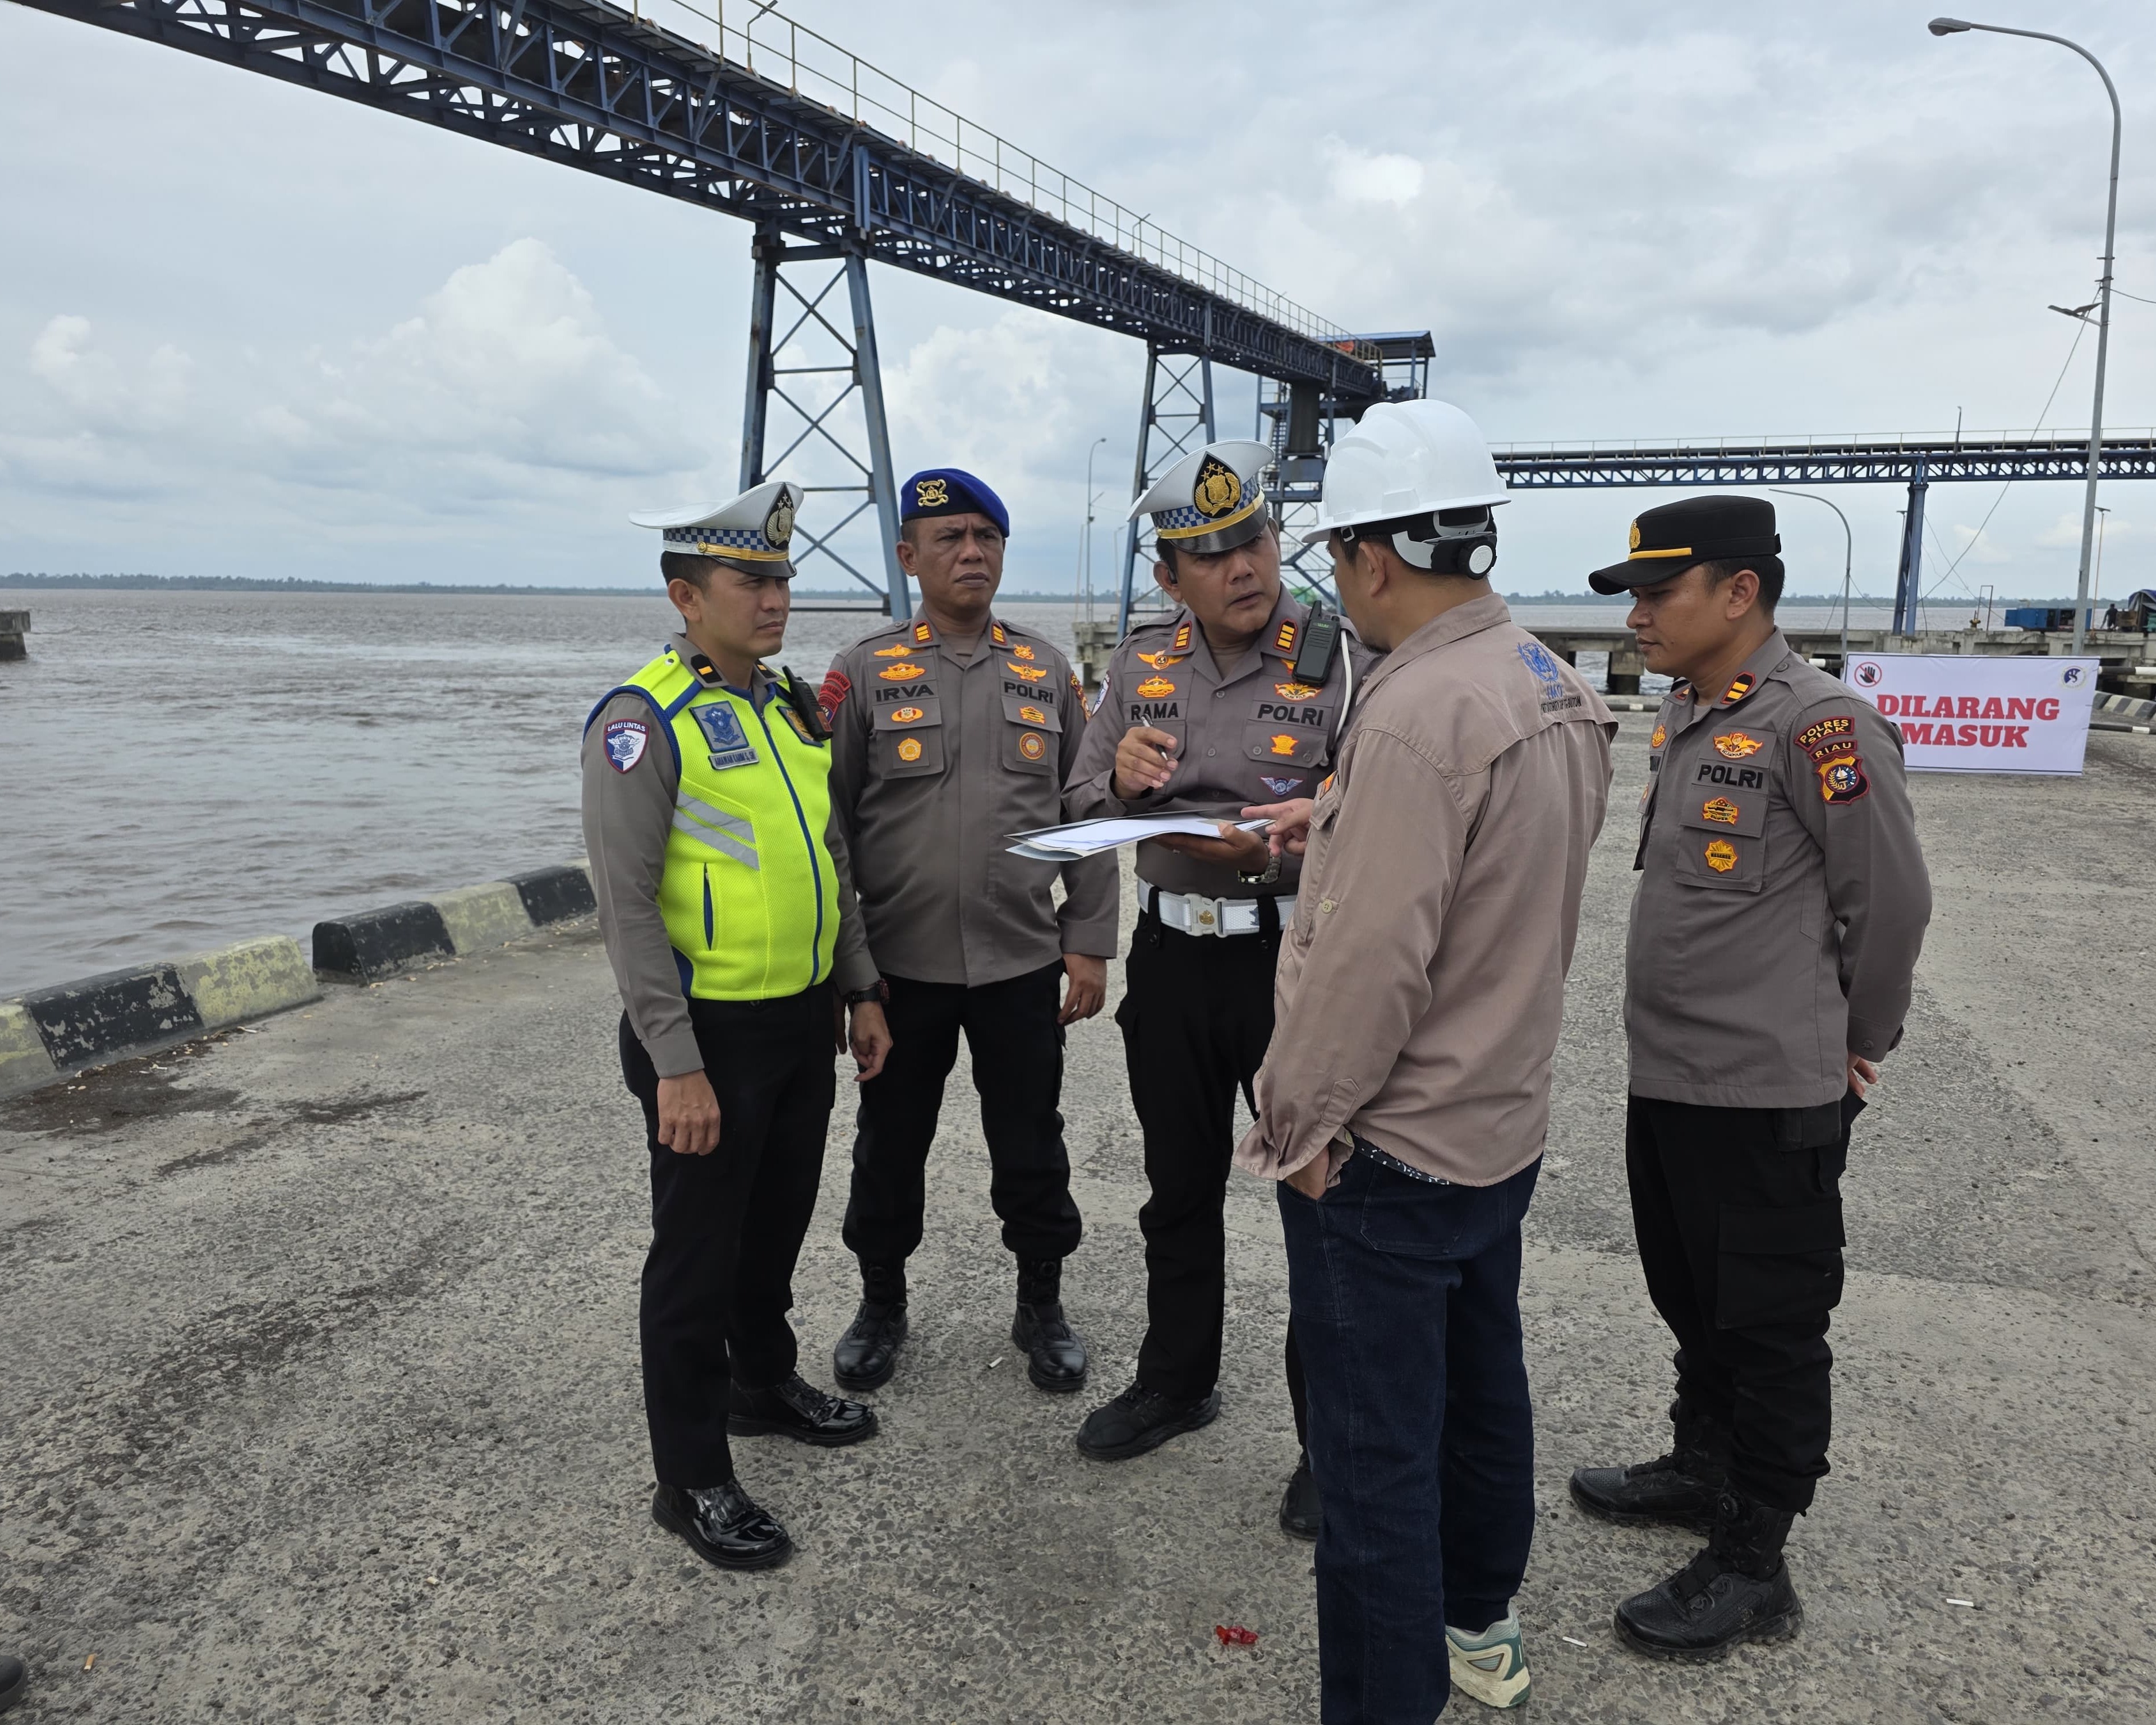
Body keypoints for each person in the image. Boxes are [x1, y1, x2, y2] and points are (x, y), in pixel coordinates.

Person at [1235, 400, 1614, 1720]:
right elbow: (1498, 883)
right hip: (1497, 1124)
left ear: (1375, 556)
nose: (1338, 587)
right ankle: (1481, 1628)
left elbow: (1366, 974)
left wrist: (1294, 1130)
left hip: (1390, 1155)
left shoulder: (1409, 715)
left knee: (1373, 1467)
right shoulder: (1548, 680)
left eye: (1337, 558)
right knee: (1483, 1391)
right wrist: (1343, 817)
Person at [1568, 494, 1931, 1660]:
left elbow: (1889, 904)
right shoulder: (1690, 709)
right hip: (1672, 1075)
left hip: (1769, 1090)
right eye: (1631, 596)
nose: (1636, 617)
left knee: (1769, 1324)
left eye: (1656, 594)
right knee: (1691, 1295)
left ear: (1739, 593)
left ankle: (1753, 1557)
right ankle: (1701, 1463)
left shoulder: (1819, 725)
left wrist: (1853, 1042)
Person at [582, 480, 895, 1573]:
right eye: (751, 581)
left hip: (799, 1021)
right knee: (695, 1259)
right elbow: (626, 908)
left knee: (774, 1228)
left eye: (783, 579)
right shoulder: (642, 721)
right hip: (704, 1035)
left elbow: (829, 855)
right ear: (685, 595)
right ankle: (690, 1475)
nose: (776, 599)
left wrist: (859, 987)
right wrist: (675, 1065)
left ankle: (760, 1383)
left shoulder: (790, 704)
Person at [1062, 440, 1369, 1531]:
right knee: (1177, 1187)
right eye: (1211, 553)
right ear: (1169, 576)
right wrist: (1120, 780)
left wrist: (1293, 842)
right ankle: (1175, 1381)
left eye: (1254, 540)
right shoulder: (1141, 663)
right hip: (1174, 958)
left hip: (1291, 963)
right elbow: (1079, 795)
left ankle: (1329, 1439)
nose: (1242, 567)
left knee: (1318, 1201)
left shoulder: (1342, 662)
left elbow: (1382, 816)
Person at [819, 468, 1117, 1395]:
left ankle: (1041, 1305)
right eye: (949, 538)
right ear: (908, 556)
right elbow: (828, 831)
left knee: (1031, 1143)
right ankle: (880, 1303)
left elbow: (1084, 810)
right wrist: (854, 977)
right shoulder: (865, 672)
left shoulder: (1043, 671)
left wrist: (1088, 939)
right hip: (899, 969)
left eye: (986, 537)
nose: (971, 553)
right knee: (888, 1145)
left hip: (1019, 960)